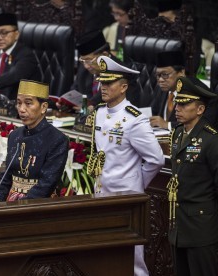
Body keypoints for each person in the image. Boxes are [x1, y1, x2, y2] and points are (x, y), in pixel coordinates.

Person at [87, 56, 165, 276]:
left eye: (109, 83)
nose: (104, 87)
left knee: (132, 260)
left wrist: (135, 184)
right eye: (102, 82)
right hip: (102, 193)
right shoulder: (100, 112)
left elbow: (156, 159)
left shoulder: (134, 119)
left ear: (123, 87)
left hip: (126, 196)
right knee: (104, 254)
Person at [167, 76, 218, 275]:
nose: (178, 108)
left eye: (184, 104)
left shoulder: (212, 139)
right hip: (178, 224)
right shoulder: (178, 133)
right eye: (177, 103)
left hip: (200, 225)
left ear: (200, 109)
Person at [0, 80, 68, 202]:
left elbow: (46, 184)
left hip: (37, 206)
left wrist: (21, 206)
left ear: (43, 107)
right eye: (19, 103)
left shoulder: (57, 139)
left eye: (28, 103)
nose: (22, 109)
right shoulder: (15, 135)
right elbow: (6, 176)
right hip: (10, 202)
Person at [0, 13, 39, 100]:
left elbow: (14, 75)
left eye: (4, 33)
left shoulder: (26, 55)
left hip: (17, 106)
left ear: (16, 34)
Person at [150, 50, 218, 130]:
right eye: (158, 75)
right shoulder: (164, 88)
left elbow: (203, 125)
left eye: (165, 74)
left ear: (181, 72)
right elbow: (154, 113)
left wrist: (168, 125)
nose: (160, 80)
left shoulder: (198, 92)